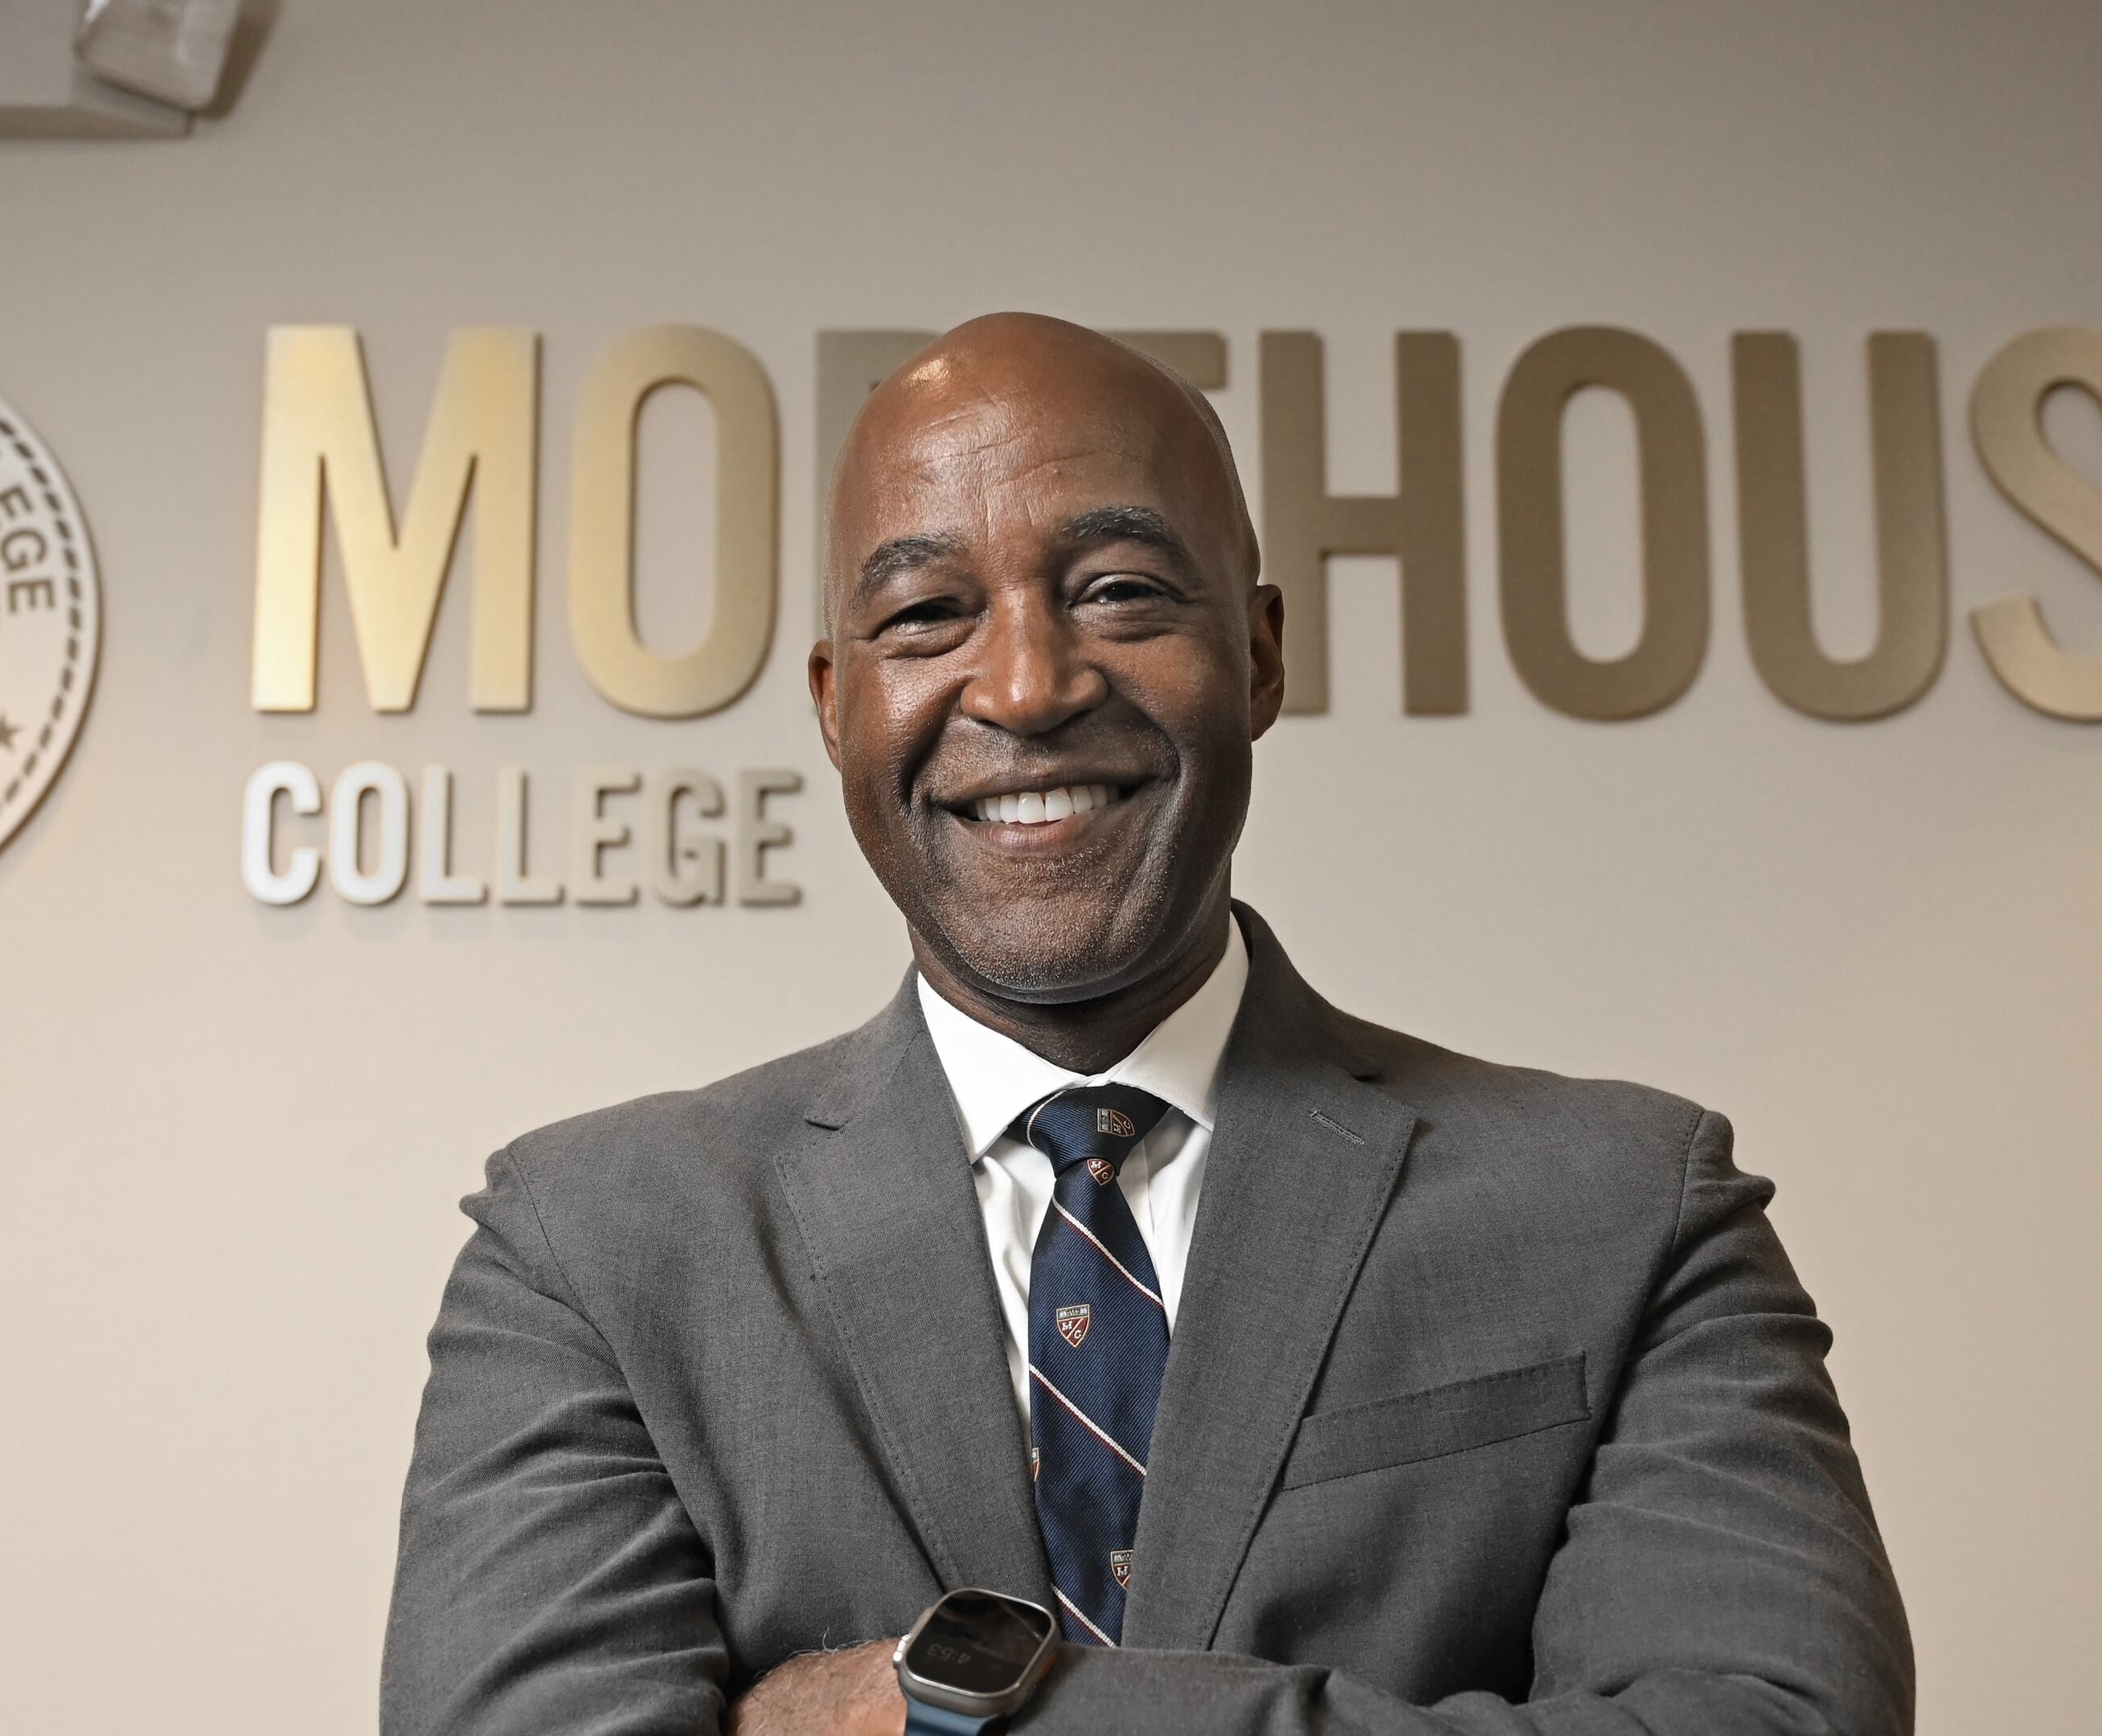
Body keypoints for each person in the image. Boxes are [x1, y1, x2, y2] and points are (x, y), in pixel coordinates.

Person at [381, 314, 1912, 1735]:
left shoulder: (1630, 1208)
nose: (1032, 686)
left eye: (1118, 590)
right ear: (836, 704)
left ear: (1257, 656)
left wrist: (966, 1711)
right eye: (929, 614)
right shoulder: (591, 1251)